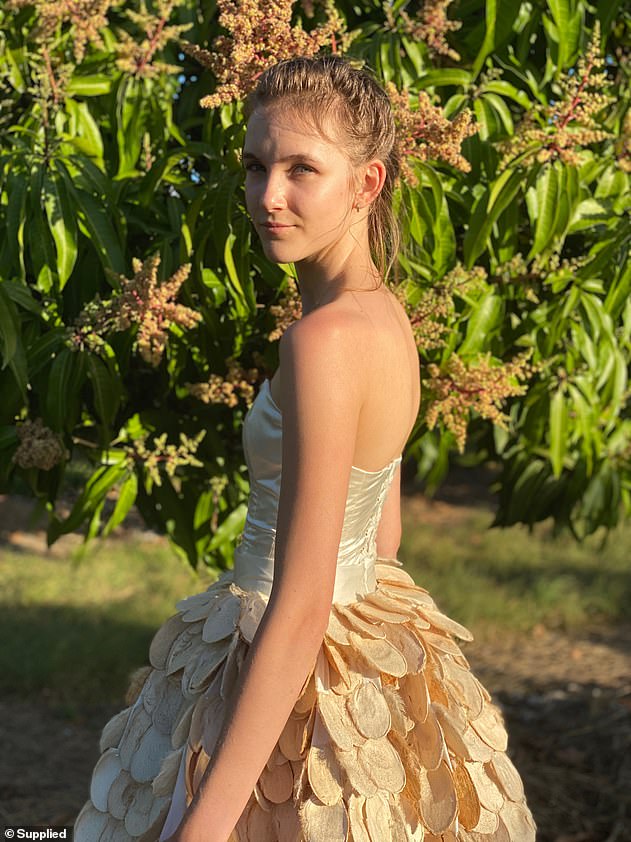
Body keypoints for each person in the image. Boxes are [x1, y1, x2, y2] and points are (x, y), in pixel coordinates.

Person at [74, 55, 536, 842]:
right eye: (255, 167)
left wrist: (204, 824)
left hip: (290, 653)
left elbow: (299, 605)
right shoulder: (385, 316)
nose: (267, 196)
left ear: (366, 183)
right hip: (360, 640)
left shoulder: (322, 342)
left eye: (301, 170)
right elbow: (382, 536)